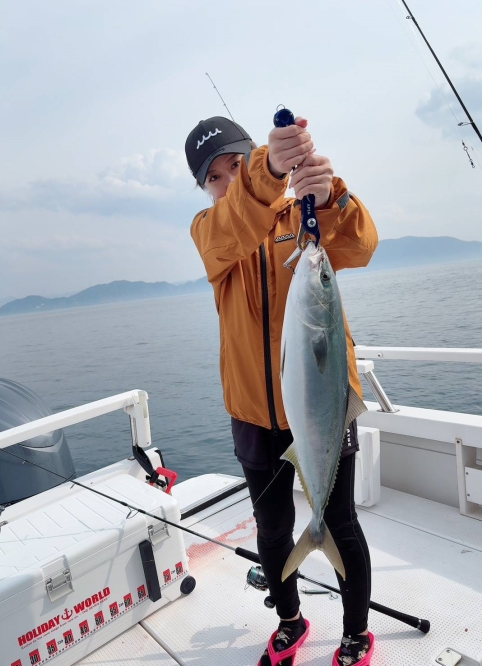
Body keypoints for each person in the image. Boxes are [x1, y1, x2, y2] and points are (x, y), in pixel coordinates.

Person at [185, 114, 378, 666]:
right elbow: (236, 222)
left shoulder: (305, 218)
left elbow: (361, 246)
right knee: (272, 530)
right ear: (205, 189)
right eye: (214, 177)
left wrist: (331, 194)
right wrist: (266, 173)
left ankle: (356, 634)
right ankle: (290, 621)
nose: (227, 181)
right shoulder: (210, 231)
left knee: (340, 523)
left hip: (324, 406)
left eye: (235, 165)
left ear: (250, 158)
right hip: (253, 413)